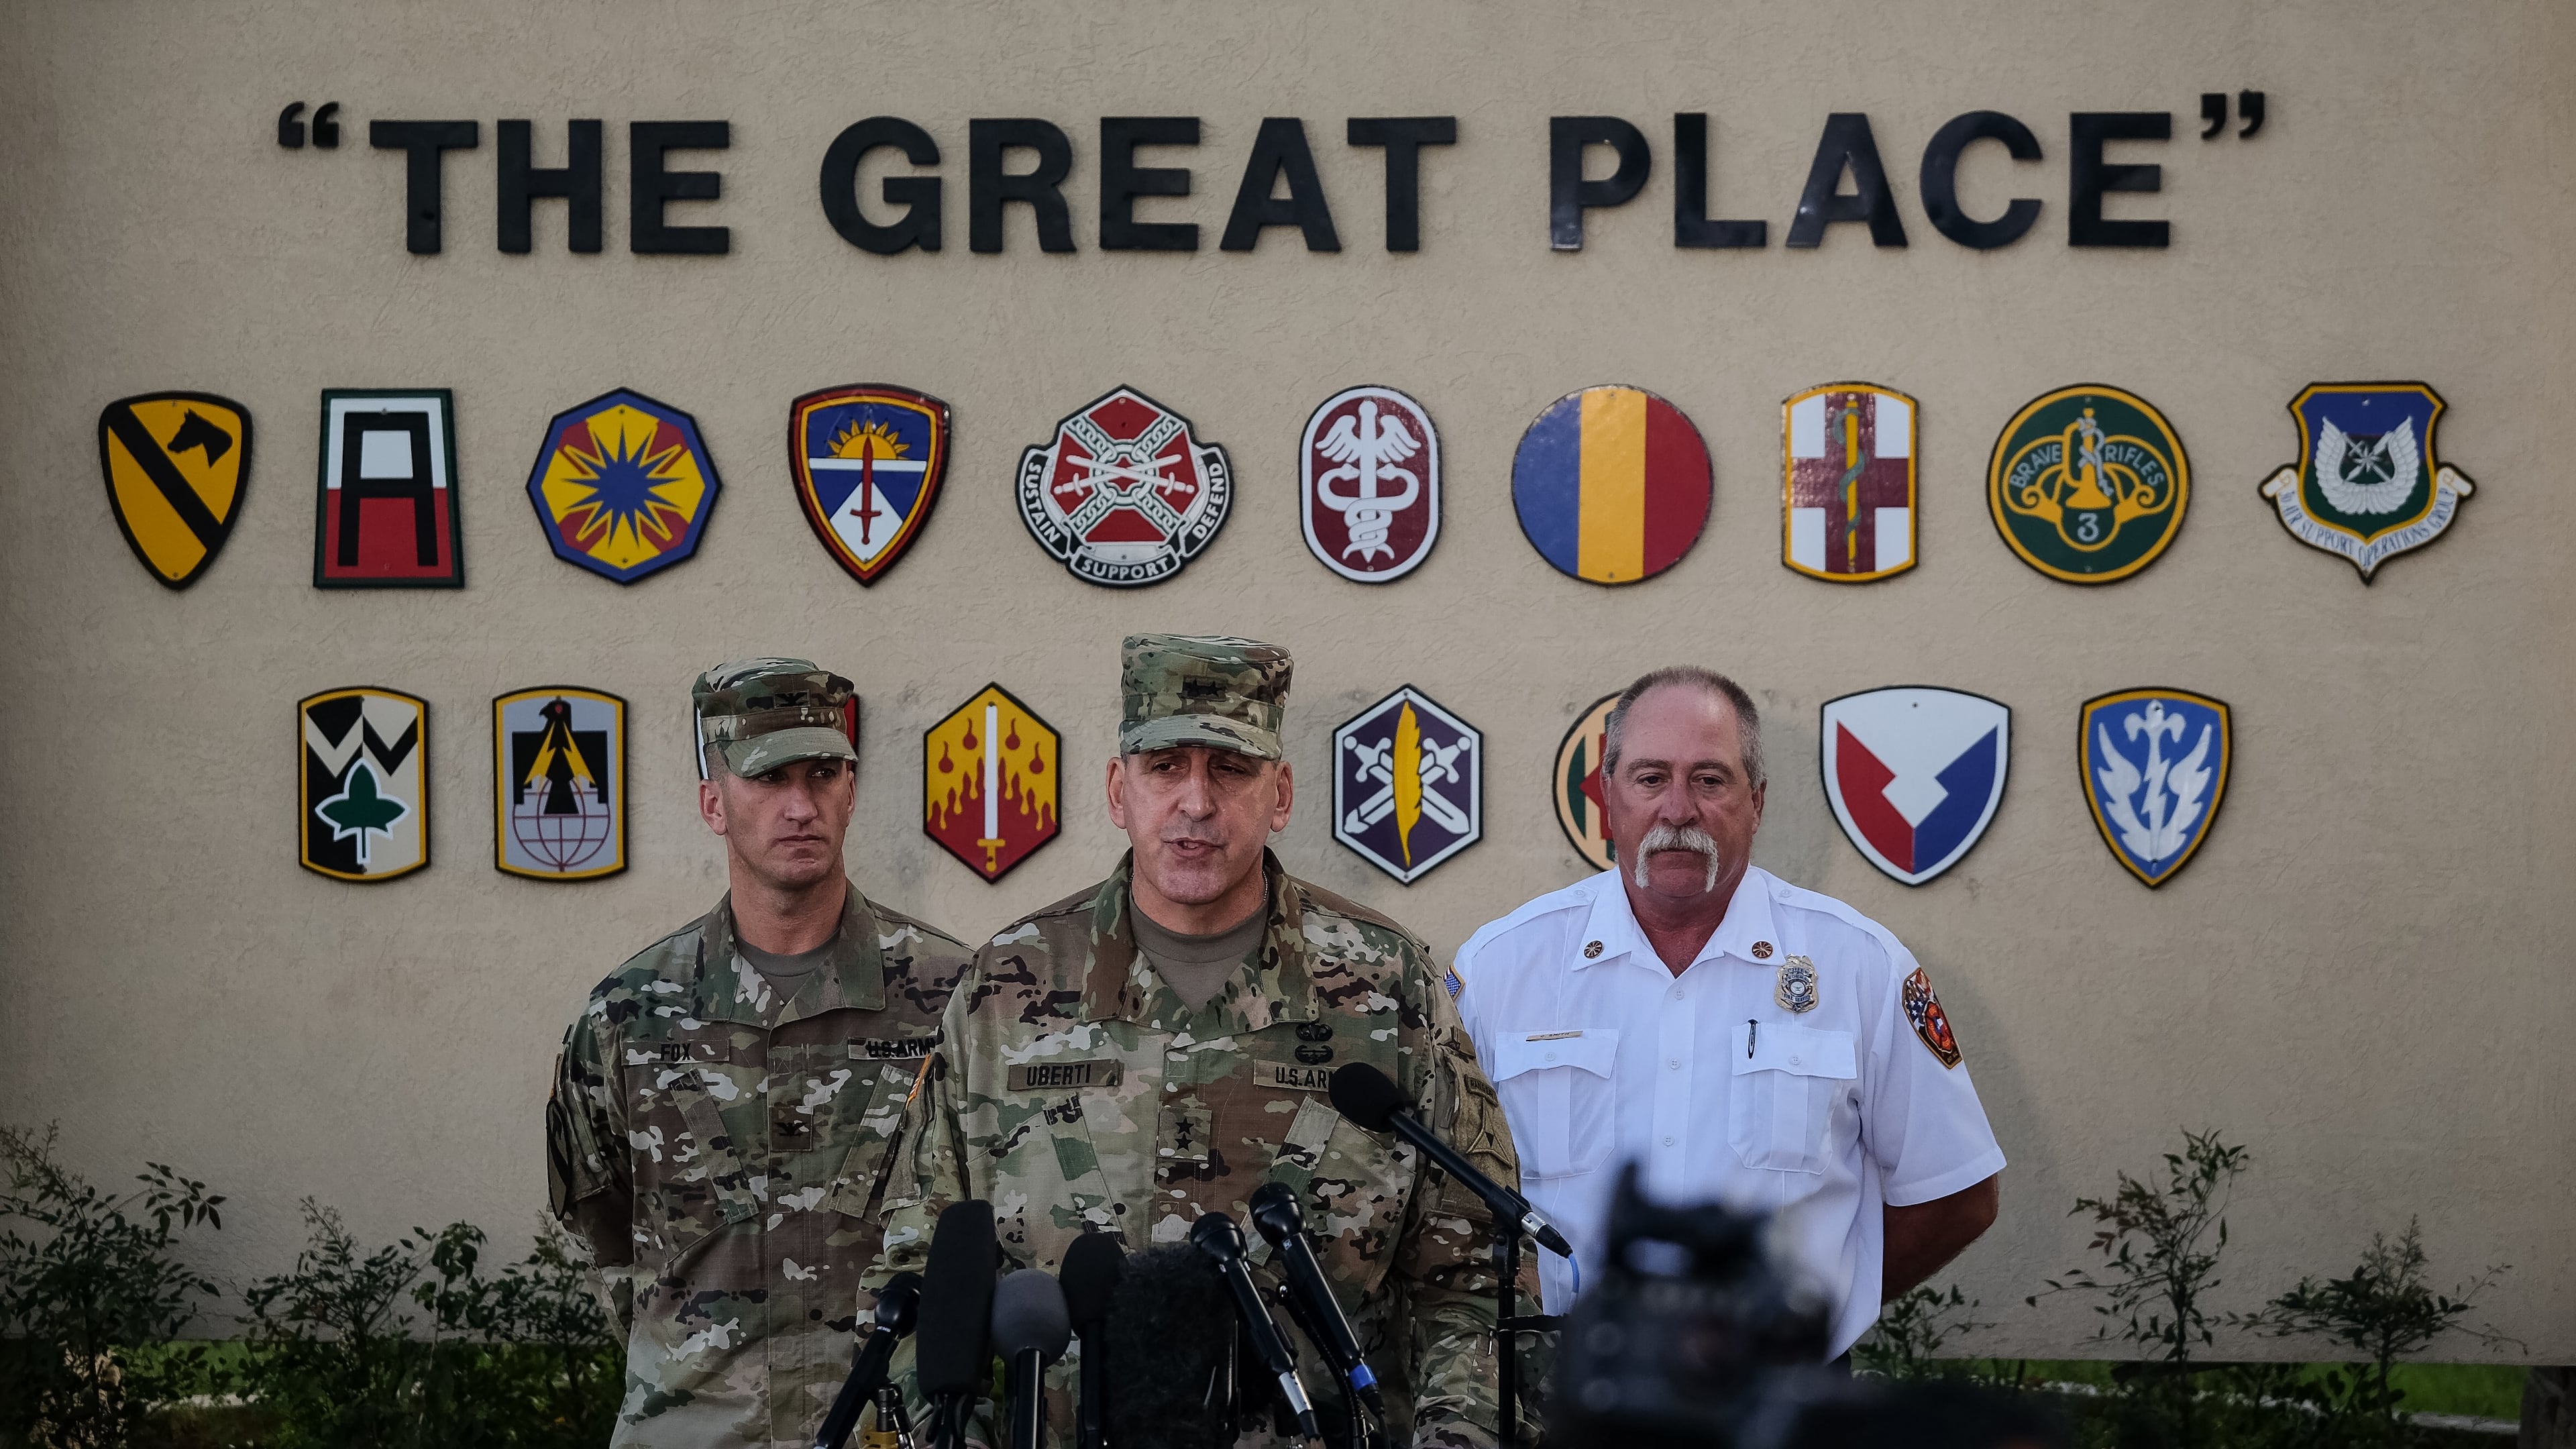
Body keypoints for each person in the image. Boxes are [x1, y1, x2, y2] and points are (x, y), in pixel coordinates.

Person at [874, 634, 1530, 1449]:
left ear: (1280, 794)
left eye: (1230, 769)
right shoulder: (1005, 990)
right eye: (1165, 768)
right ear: (1119, 790)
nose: (1196, 801)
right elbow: (918, 1264)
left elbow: (1467, 1278)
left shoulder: (1388, 987)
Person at [1451, 667, 2004, 1364]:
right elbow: (1435, 1193)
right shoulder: (1503, 967)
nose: (1679, 809)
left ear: (1757, 802)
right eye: (1651, 778)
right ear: (1606, 798)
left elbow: (1955, 1194)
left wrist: (1810, 1321)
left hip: (1773, 1401)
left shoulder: (1859, 965)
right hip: (1554, 1394)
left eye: (1710, 780)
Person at [547, 659, 975, 1448]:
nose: (801, 805)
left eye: (823, 774)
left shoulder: (955, 999)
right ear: (715, 802)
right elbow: (601, 1226)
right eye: (769, 778)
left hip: (896, 1433)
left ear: (852, 791)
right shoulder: (630, 1015)